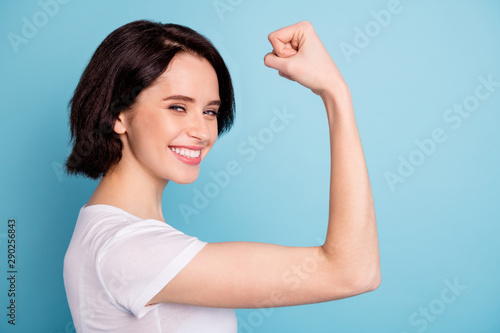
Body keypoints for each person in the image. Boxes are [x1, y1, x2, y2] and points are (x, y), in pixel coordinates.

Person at [63, 19, 380, 332]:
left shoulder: (110, 235)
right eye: (177, 107)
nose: (202, 132)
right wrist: (335, 93)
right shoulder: (126, 248)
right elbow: (352, 272)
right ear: (118, 115)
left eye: (210, 111)